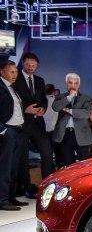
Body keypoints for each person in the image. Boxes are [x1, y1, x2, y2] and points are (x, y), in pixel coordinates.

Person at [13, 52, 54, 196]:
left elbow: (43, 100)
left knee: (47, 155)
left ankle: (47, 188)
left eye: (33, 65)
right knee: (23, 158)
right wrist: (25, 109)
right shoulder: (15, 79)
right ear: (22, 64)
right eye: (28, 65)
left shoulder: (39, 80)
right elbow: (12, 100)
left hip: (38, 123)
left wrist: (43, 108)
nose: (30, 67)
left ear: (37, 66)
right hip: (22, 123)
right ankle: (27, 189)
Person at [0, 60, 28, 210]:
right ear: (2, 72)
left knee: (14, 166)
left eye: (16, 72)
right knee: (5, 166)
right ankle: (3, 200)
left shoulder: (12, 88)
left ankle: (11, 197)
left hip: (18, 130)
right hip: (8, 131)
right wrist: (2, 130)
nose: (15, 74)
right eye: (12, 72)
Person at [52, 72, 92, 168]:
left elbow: (86, 113)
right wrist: (69, 97)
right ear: (66, 84)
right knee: (67, 165)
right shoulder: (60, 97)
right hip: (64, 134)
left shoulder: (86, 98)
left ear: (79, 84)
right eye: (70, 83)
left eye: (76, 83)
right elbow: (55, 107)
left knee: (85, 165)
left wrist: (69, 110)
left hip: (82, 135)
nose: (73, 86)